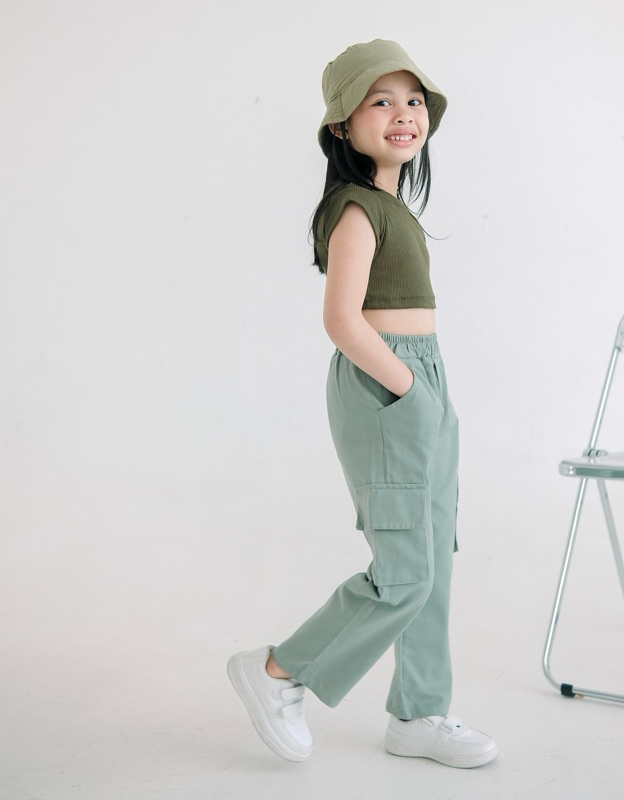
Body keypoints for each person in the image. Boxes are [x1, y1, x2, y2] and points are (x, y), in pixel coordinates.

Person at [227, 39, 497, 769]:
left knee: (430, 560)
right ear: (343, 125)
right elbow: (343, 320)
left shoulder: (390, 206)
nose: (403, 114)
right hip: (389, 385)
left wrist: (426, 391)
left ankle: (419, 713)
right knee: (405, 570)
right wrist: (409, 390)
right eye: (381, 101)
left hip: (420, 380)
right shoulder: (353, 209)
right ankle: (279, 670)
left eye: (413, 100)